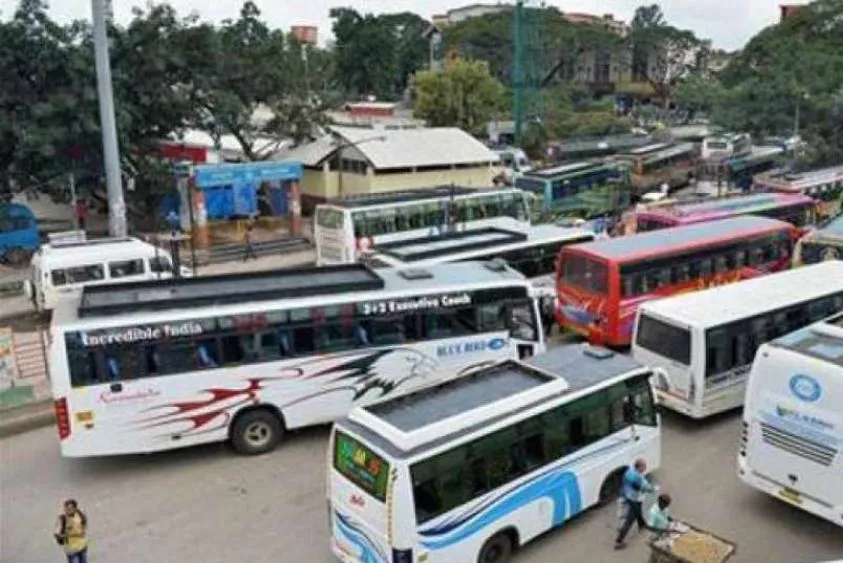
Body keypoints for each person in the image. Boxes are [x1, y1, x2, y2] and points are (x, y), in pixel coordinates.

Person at [615, 458, 657, 549]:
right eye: (644, 466)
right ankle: (619, 541)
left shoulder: (629, 472)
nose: (645, 468)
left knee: (638, 511)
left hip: (627, 496)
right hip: (634, 499)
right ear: (639, 467)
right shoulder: (638, 478)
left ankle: (642, 524)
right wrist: (654, 489)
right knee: (629, 520)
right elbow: (645, 487)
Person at [54, 499, 88, 563]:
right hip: (71, 550)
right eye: (66, 509)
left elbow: (84, 524)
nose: (67, 511)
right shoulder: (62, 519)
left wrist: (82, 530)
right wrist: (68, 533)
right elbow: (56, 534)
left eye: (69, 509)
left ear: (75, 509)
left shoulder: (80, 514)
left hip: (82, 546)